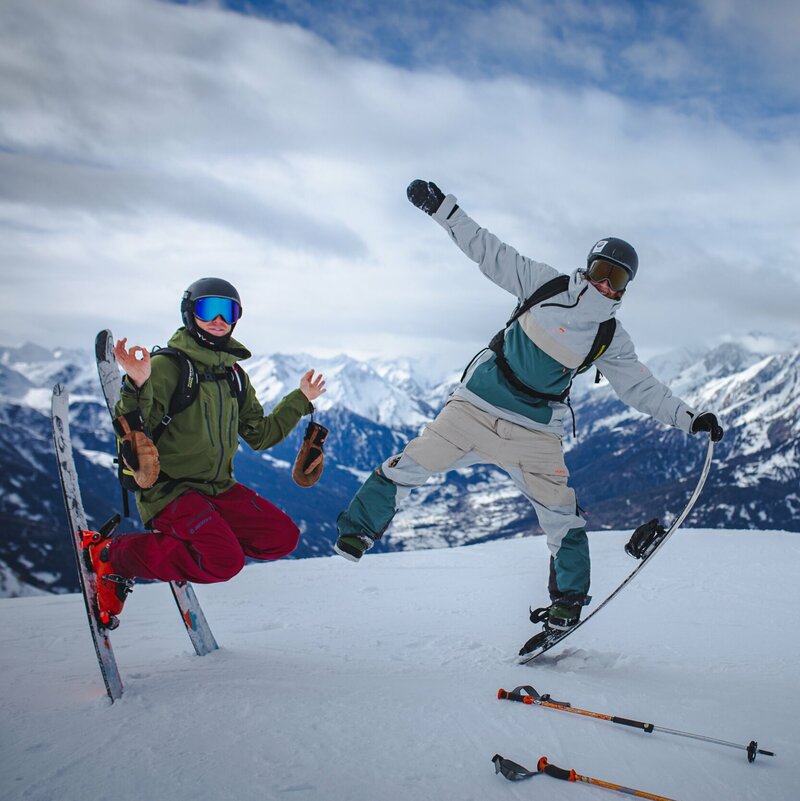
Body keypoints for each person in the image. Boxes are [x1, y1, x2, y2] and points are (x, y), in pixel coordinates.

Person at [334, 180, 723, 651]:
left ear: (624, 288)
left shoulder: (609, 335)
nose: (604, 283)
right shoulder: (544, 284)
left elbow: (639, 387)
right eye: (601, 270)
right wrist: (442, 208)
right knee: (410, 465)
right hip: (474, 408)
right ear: (587, 266)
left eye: (616, 279)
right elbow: (487, 249)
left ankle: (566, 605)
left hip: (535, 432)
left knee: (562, 515)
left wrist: (690, 417)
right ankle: (357, 532)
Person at [85, 277, 326, 622]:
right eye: (208, 309)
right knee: (224, 561)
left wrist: (300, 399)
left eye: (228, 311)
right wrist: (137, 382)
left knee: (281, 537)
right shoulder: (168, 366)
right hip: (170, 491)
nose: (219, 319)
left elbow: (260, 435)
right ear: (189, 313)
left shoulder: (234, 375)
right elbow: (136, 429)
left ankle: (193, 543)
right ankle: (111, 554)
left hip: (218, 489)